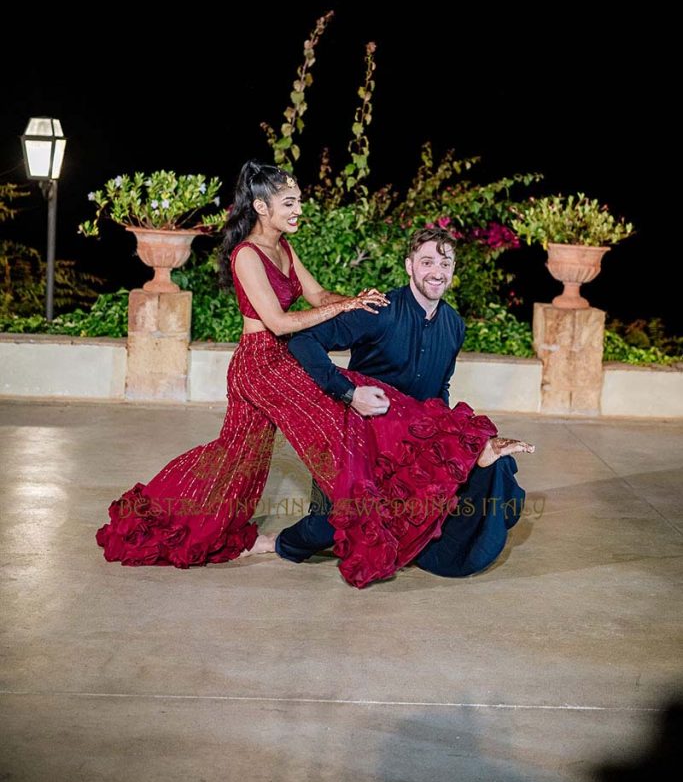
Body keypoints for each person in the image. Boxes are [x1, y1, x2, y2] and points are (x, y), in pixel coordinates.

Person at [96, 161, 533, 588]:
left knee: (237, 458)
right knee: (343, 427)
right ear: (261, 207)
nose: (298, 209)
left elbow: (320, 295)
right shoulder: (246, 255)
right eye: (289, 202)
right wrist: (345, 317)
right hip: (261, 364)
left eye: (299, 201)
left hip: (281, 359)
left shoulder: (284, 248)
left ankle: (172, 516)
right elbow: (280, 323)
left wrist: (357, 302)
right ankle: (354, 518)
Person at [274, 229, 530, 577]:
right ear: (409, 266)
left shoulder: (454, 325)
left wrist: (451, 445)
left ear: (453, 270)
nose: (436, 272)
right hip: (361, 438)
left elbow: (440, 390)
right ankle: (280, 543)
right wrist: (349, 393)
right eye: (427, 262)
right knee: (329, 528)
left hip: (413, 443)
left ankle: (437, 545)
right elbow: (304, 342)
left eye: (445, 263)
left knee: (492, 465)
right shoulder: (378, 310)